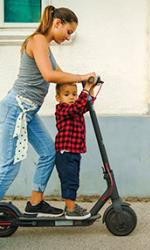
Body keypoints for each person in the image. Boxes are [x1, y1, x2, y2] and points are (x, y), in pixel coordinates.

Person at [0, 5, 96, 217]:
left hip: (28, 111)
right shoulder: (37, 41)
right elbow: (49, 75)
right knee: (9, 166)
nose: (69, 38)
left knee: (48, 152)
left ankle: (35, 203)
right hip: (16, 108)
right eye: (68, 32)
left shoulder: (45, 47)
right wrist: (81, 77)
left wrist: (86, 83)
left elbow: (60, 74)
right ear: (57, 23)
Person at [55, 80, 96, 219]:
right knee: (69, 180)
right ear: (58, 98)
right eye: (67, 94)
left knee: (73, 180)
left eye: (74, 94)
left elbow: (86, 105)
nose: (72, 97)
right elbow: (78, 107)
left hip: (74, 152)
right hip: (65, 152)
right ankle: (71, 210)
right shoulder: (62, 109)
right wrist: (86, 89)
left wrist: (91, 89)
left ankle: (70, 206)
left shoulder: (75, 109)